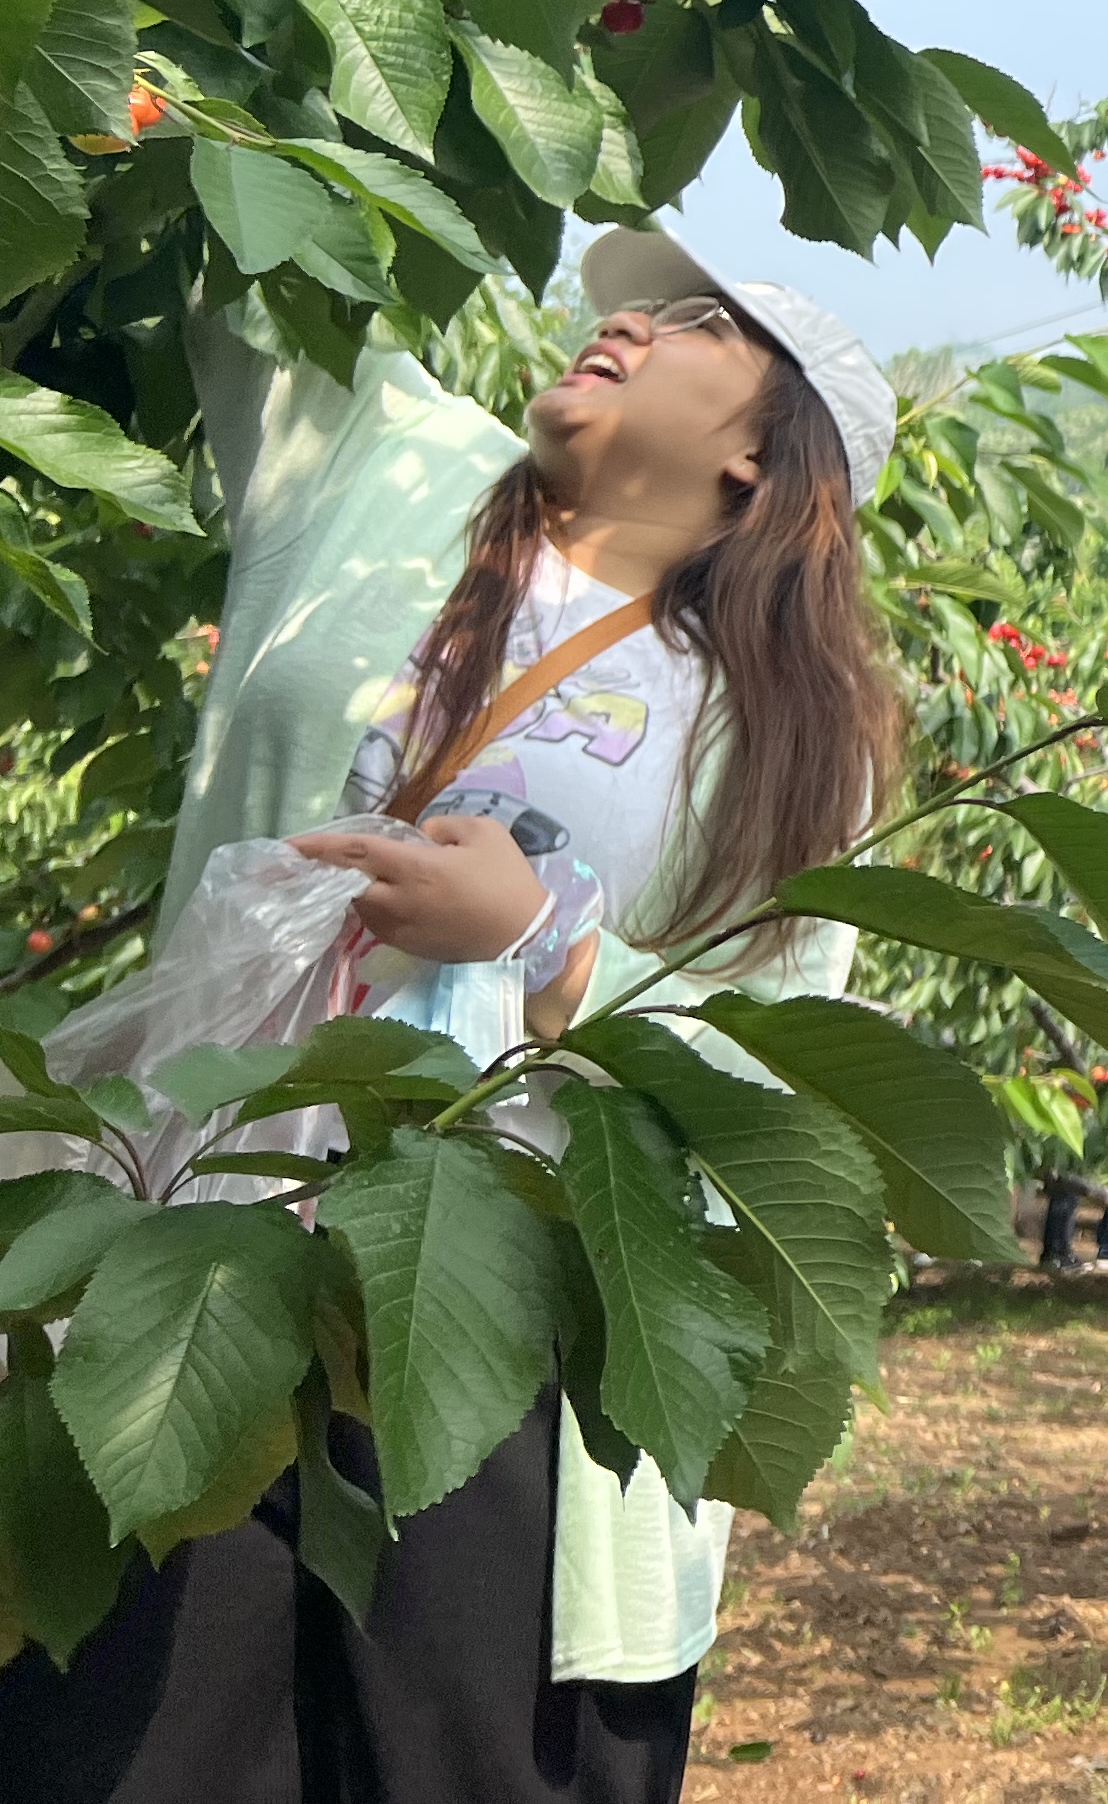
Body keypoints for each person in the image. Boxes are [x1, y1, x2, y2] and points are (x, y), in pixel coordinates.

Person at [11, 225, 900, 1804]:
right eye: (632, 304)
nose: (627, 324)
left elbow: (763, 1080)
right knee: (120, 1755)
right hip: (208, 1258)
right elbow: (237, 227)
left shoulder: (776, 733)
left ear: (763, 462)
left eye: (694, 324)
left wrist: (547, 945)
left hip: (504, 1344)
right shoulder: (389, 474)